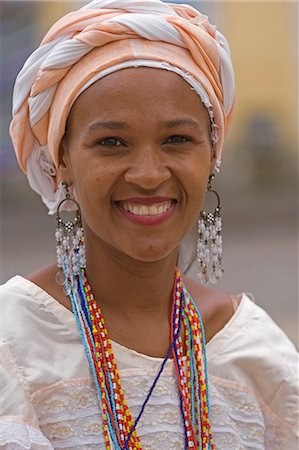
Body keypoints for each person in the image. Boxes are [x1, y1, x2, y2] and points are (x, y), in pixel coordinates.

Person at [1, 1, 298, 449]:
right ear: (60, 161)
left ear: (212, 155)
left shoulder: (253, 350)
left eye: (177, 139)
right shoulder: (14, 341)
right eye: (111, 142)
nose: (147, 174)